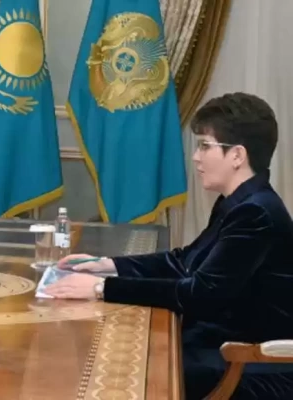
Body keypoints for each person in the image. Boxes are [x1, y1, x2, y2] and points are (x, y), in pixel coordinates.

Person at [45, 92, 293, 399]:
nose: (196, 157)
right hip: (218, 343)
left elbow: (200, 295)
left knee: (123, 370)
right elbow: (185, 260)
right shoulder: (241, 202)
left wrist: (101, 288)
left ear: (237, 155)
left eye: (205, 146)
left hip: (247, 360)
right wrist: (108, 264)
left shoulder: (256, 213)